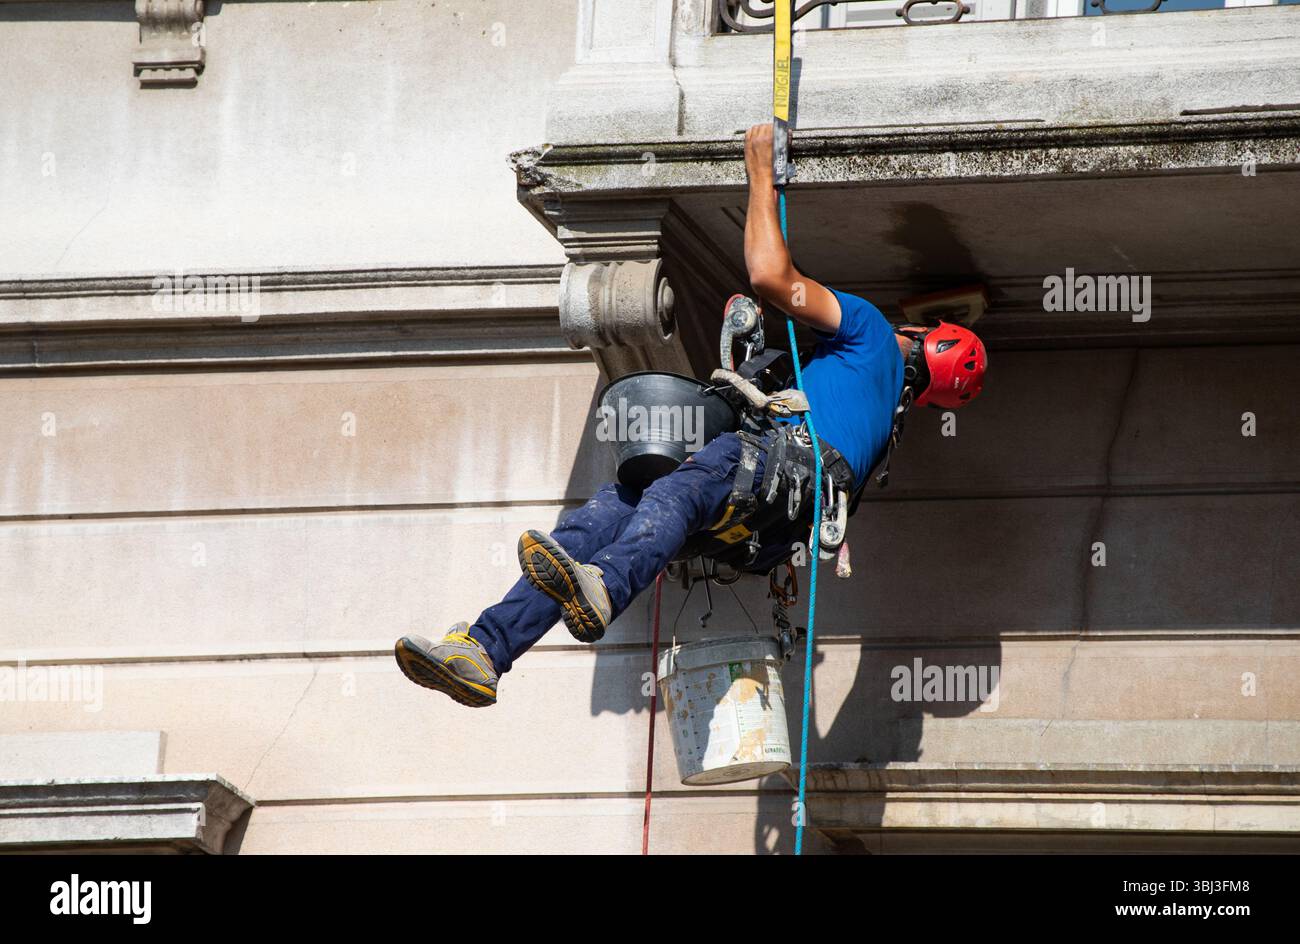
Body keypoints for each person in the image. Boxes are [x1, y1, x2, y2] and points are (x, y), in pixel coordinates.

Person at [394, 124, 987, 707]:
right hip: (763, 528)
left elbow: (771, 277)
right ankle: (483, 652)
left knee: (666, 496)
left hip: (776, 473)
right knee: (611, 512)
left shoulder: (873, 333)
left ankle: (604, 588)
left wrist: (759, 170)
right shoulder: (880, 417)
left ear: (923, 336)